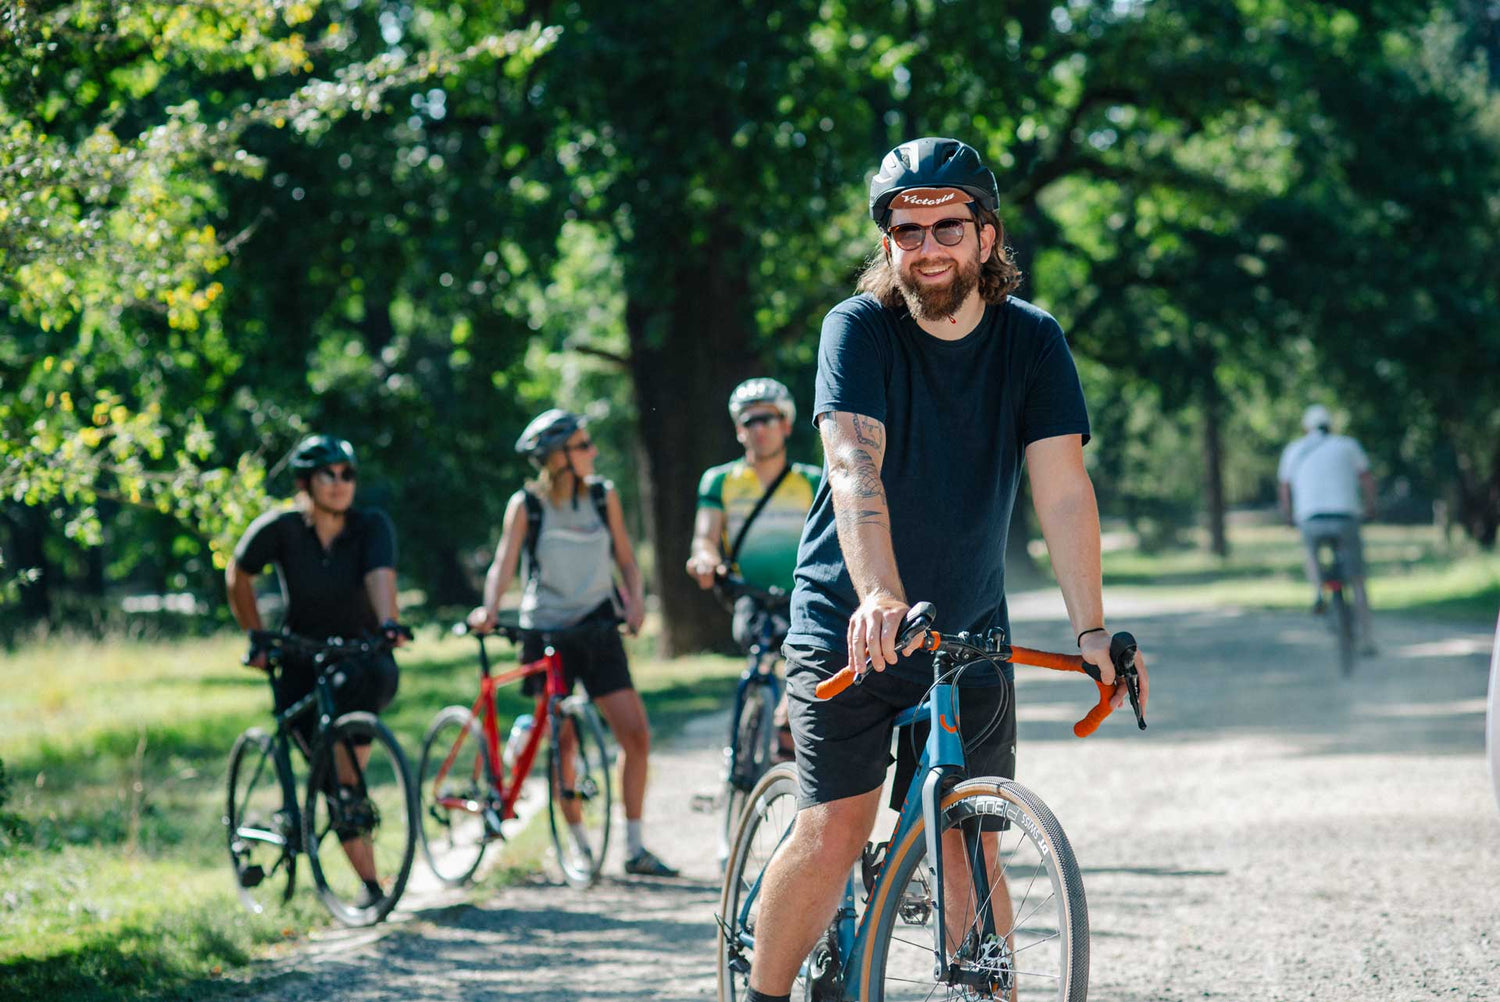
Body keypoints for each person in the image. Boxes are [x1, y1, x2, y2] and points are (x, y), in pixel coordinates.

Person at [742, 137, 1150, 1002]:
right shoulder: (857, 329)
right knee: (837, 826)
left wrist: (1090, 630)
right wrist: (879, 594)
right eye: (907, 230)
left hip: (967, 622)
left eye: (949, 227)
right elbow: (855, 466)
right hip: (850, 614)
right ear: (887, 242)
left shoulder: (1033, 343)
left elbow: (1065, 490)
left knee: (972, 834)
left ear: (988, 236)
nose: (928, 248)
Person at [468, 408, 678, 877]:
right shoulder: (528, 505)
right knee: (562, 742)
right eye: (583, 445)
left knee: (636, 734)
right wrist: (489, 607)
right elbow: (503, 563)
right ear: (557, 456)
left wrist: (636, 602)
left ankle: (635, 846)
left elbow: (626, 560)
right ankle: (580, 846)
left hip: (598, 626)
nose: (593, 452)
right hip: (546, 629)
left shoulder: (604, 496)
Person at [226, 434, 408, 909]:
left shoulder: (372, 526)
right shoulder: (282, 528)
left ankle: (357, 850)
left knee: (346, 773)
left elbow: (380, 577)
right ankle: (370, 886)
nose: (340, 483)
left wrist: (388, 623)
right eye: (329, 474)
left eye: (348, 474)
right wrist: (257, 637)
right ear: (306, 482)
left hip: (359, 657)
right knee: (340, 782)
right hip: (300, 660)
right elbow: (238, 574)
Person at [687, 377, 821, 759]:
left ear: (787, 425)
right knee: (760, 653)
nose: (759, 428)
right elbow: (705, 536)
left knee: (805, 664)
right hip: (750, 595)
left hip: (803, 596)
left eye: (768, 418)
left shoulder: (811, 480)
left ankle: (784, 719)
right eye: (749, 421)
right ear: (738, 430)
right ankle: (751, 747)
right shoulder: (720, 481)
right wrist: (705, 557)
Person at [1278, 403, 1378, 653]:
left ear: (1306, 427)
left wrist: (1288, 516)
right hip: (1345, 516)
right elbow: (1366, 478)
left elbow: (1285, 487)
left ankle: (1318, 592)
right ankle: (1367, 639)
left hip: (1310, 518)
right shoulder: (1348, 445)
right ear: (1330, 424)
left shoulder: (1294, 449)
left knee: (1310, 552)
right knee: (1357, 579)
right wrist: (1370, 508)